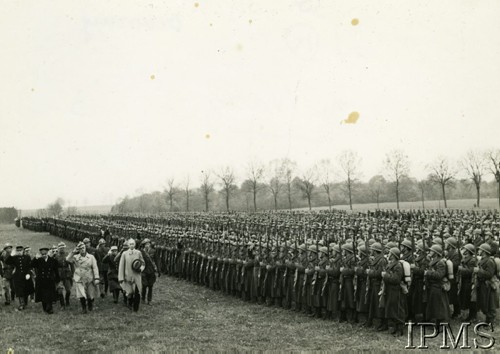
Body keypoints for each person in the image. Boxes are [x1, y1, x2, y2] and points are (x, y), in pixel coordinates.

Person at [66, 242, 100, 314]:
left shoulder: (91, 257)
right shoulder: (76, 257)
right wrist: (73, 252)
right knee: (81, 294)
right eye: (80, 248)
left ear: (85, 248)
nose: (82, 250)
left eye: (83, 248)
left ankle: (90, 304)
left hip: (89, 277)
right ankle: (84, 308)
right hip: (79, 277)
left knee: (90, 294)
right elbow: (68, 259)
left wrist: (96, 277)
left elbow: (95, 267)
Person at [4, 245, 35, 310]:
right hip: (18, 276)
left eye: (20, 251)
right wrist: (11, 255)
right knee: (19, 291)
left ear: (23, 251)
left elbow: (30, 266)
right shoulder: (14, 257)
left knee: (26, 290)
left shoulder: (27, 257)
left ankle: (25, 302)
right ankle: (21, 304)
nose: (19, 252)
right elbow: (7, 262)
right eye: (18, 251)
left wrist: (28, 274)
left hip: (26, 276)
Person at [118, 239, 145, 312]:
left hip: (136, 275)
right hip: (128, 275)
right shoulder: (124, 254)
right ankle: (129, 303)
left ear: (135, 244)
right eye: (130, 244)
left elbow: (142, 263)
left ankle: (136, 307)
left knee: (137, 291)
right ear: (128, 245)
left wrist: (141, 269)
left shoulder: (138, 253)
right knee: (129, 292)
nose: (132, 245)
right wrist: (121, 277)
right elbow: (121, 266)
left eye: (133, 244)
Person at [31, 247, 60, 314]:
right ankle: (45, 307)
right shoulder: (38, 260)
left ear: (48, 253)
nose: (44, 255)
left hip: (50, 280)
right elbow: (31, 265)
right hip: (41, 280)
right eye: (42, 254)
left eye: (45, 253)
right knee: (43, 295)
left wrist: (57, 278)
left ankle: (50, 308)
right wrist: (35, 258)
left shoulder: (53, 260)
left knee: (50, 294)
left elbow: (56, 270)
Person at [475, 243, 497, 328]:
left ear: (484, 251)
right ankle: (487, 321)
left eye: (480, 250)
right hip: (482, 284)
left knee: (490, 303)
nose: (479, 251)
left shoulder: (489, 261)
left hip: (488, 285)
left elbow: (489, 274)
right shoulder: (483, 259)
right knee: (484, 302)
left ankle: (490, 322)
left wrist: (479, 271)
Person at [54, 242, 73, 309]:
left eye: (63, 247)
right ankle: (62, 304)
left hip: (67, 274)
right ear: (58, 248)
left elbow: (71, 264)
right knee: (60, 290)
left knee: (68, 290)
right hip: (59, 274)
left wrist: (72, 273)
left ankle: (67, 300)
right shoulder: (56, 256)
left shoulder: (67, 254)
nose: (62, 249)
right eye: (60, 248)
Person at [140, 238, 158, 305]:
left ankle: (149, 300)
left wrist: (158, 269)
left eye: (148, 244)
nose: (147, 245)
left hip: (151, 270)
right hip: (144, 270)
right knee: (144, 285)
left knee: (150, 285)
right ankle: (143, 298)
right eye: (146, 244)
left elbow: (156, 260)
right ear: (143, 245)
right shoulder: (141, 252)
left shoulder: (153, 251)